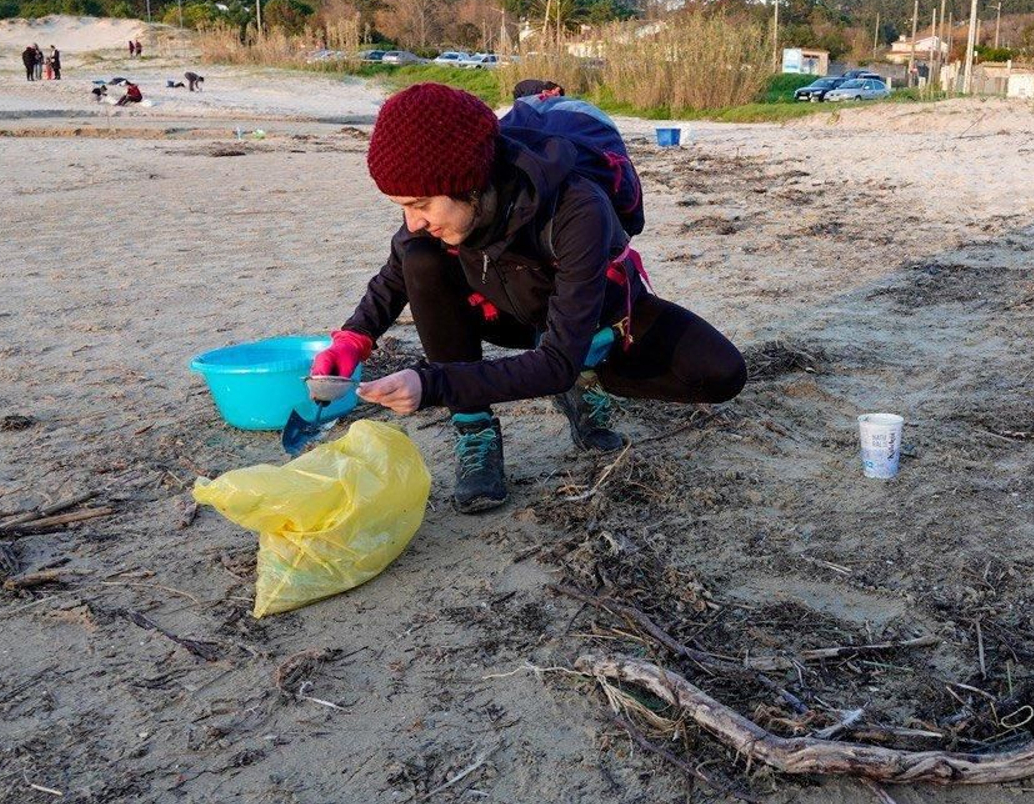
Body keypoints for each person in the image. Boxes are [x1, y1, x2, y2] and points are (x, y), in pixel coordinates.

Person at [317, 83, 747, 514]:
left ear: (468, 181)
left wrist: (433, 383)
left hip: (585, 322)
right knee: (421, 260)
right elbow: (395, 272)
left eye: (421, 204)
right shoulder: (439, 210)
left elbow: (556, 363)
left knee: (721, 373)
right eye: (402, 206)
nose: (412, 220)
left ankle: (588, 376)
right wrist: (353, 339)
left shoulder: (579, 208)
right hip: (507, 314)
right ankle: (474, 428)